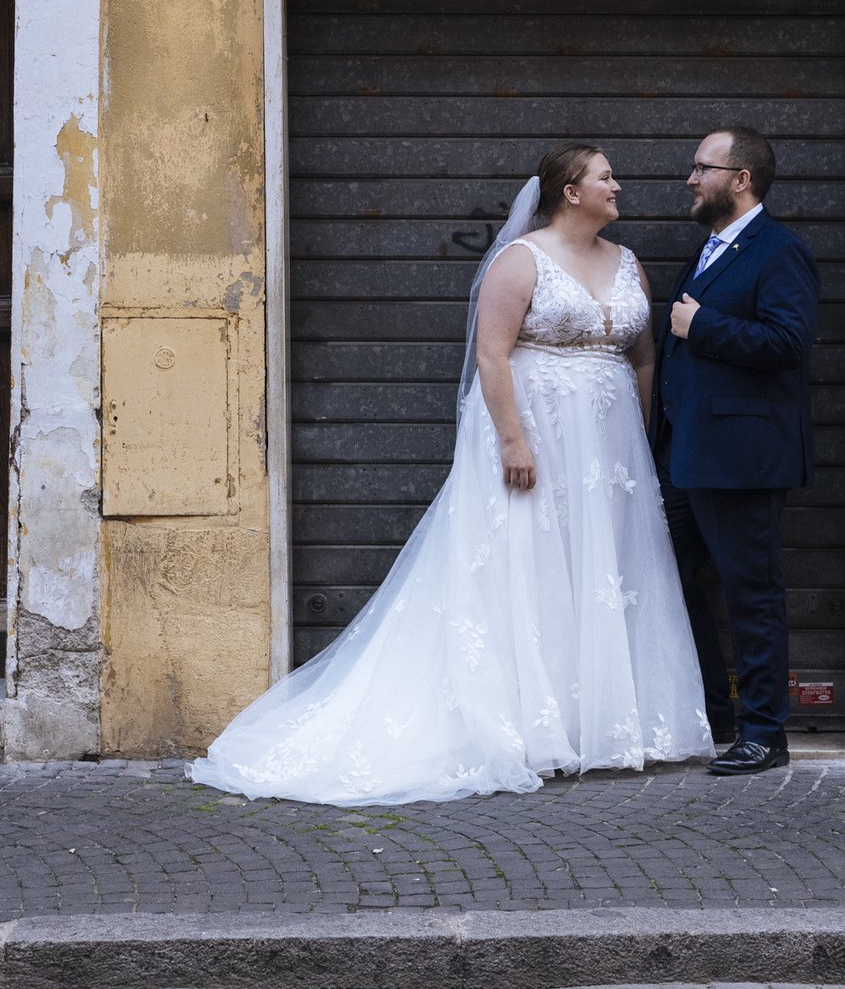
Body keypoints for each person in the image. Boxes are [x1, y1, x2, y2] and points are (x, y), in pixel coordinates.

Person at [192, 144, 712, 804]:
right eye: (606, 177)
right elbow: (493, 358)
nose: (619, 186)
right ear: (571, 191)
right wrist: (514, 442)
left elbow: (641, 355)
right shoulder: (521, 261)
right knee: (529, 566)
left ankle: (604, 726)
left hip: (609, 451)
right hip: (536, 432)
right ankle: (533, 725)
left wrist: (637, 436)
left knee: (606, 571)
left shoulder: (627, 263)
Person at [650, 127, 820, 779]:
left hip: (742, 457)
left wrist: (704, 327)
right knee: (668, 579)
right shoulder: (709, 250)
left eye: (702, 168)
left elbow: (788, 342)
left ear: (739, 178)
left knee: (752, 593)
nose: (691, 179)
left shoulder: (779, 252)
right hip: (688, 453)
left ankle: (764, 733)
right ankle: (716, 715)